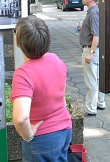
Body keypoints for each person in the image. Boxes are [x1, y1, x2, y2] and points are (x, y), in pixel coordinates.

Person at [10, 16, 72, 161]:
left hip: (43, 139)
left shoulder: (24, 74)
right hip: (64, 130)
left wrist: (28, 134)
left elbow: (21, 118)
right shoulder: (55, 59)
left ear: (19, 42)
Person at [77, 0, 105, 116]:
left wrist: (91, 52)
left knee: (91, 80)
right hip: (96, 50)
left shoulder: (93, 13)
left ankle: (91, 108)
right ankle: (100, 102)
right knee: (98, 78)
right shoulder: (95, 12)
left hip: (91, 49)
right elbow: (95, 29)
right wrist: (84, 28)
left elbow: (97, 34)